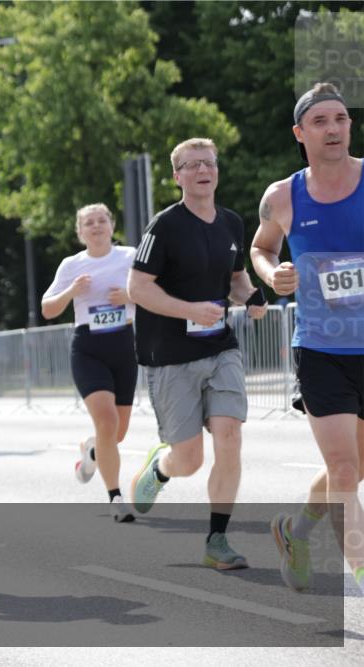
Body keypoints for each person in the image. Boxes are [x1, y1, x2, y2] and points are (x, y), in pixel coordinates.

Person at [128, 137, 267, 570]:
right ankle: (161, 469)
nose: (203, 170)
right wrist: (190, 310)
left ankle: (217, 540)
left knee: (230, 436)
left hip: (221, 347)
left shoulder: (231, 223)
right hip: (170, 354)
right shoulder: (164, 226)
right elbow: (138, 288)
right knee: (189, 459)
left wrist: (254, 297)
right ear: (177, 177)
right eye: (192, 165)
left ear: (217, 171)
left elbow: (237, 279)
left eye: (209, 163)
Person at [250, 82, 364, 592]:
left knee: (353, 471)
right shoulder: (281, 196)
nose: (334, 128)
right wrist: (271, 274)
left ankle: (296, 532)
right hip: (321, 348)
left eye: (340, 119)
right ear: (301, 133)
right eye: (320, 121)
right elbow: (261, 248)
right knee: (343, 469)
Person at [42, 203, 137, 522]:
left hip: (124, 346)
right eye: (88, 223)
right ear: (80, 232)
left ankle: (93, 451)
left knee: (116, 434)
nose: (96, 226)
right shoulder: (72, 265)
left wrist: (129, 296)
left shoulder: (130, 256)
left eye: (101, 221)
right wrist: (72, 290)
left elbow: (155, 292)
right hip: (88, 349)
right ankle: (116, 497)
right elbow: (47, 308)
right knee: (107, 422)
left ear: (112, 225)